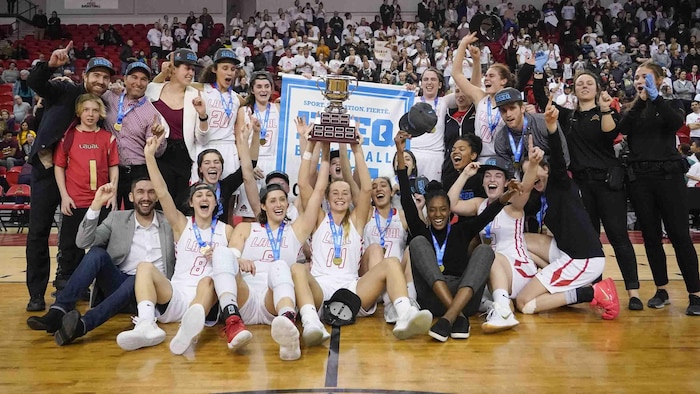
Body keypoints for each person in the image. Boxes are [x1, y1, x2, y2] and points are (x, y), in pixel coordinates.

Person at [292, 129, 432, 346]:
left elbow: (366, 189)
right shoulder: (319, 219)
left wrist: (357, 148)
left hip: (352, 287)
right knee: (298, 269)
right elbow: (304, 185)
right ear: (327, 198)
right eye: (335, 193)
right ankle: (311, 322)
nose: (340, 197)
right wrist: (317, 147)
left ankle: (404, 313)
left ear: (350, 199)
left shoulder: (357, 221)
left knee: (391, 262)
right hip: (321, 287)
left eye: (345, 193)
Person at [209, 139, 330, 360]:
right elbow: (232, 253)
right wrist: (237, 260)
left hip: (273, 301)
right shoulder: (247, 227)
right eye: (272, 200)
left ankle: (289, 327)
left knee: (280, 265)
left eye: (282, 200)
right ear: (263, 205)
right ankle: (232, 322)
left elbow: (318, 192)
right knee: (221, 253)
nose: (278, 204)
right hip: (245, 297)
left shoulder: (296, 230)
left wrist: (325, 149)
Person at [531, 69, 642, 310]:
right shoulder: (567, 116)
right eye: (579, 83)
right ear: (573, 89)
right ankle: (595, 289)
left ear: (597, 89)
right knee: (590, 240)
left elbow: (611, 133)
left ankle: (633, 291)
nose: (584, 86)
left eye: (589, 83)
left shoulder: (606, 111)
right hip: (581, 186)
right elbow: (543, 103)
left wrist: (604, 109)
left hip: (608, 184)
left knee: (618, 236)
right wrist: (537, 76)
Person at [395, 130, 518, 342]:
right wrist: (400, 150)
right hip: (432, 301)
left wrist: (509, 194)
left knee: (484, 250)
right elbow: (406, 194)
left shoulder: (461, 230)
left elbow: (488, 213)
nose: (438, 215)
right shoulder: (421, 229)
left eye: (443, 209)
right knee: (417, 243)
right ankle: (456, 317)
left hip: (465, 297)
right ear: (427, 212)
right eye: (432, 210)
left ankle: (449, 318)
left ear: (450, 210)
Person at [116, 133, 232, 352]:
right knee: (144, 267)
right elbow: (161, 192)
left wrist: (222, 257)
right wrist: (149, 156)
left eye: (209, 195)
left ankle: (189, 330)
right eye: (199, 196)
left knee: (209, 281)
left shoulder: (227, 230)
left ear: (216, 203)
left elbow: (236, 261)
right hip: (176, 294)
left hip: (205, 301)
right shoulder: (181, 223)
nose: (204, 198)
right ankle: (146, 325)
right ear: (191, 202)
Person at [26, 178, 175, 345]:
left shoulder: (169, 222)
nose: (146, 197)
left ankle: (83, 325)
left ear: (157, 196)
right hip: (119, 283)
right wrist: (96, 204)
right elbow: (82, 243)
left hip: (155, 291)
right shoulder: (116, 218)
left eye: (151, 192)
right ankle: (58, 311)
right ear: (131, 197)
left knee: (138, 276)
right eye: (140, 192)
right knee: (96, 254)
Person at [25, 45, 115, 312]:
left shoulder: (104, 107)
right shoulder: (65, 89)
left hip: (76, 174)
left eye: (106, 77)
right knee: (39, 232)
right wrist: (50, 66)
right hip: (46, 169)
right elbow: (36, 82)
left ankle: (69, 286)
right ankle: (36, 294)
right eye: (96, 75)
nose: (100, 81)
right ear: (85, 76)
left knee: (75, 234)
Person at [515, 96, 620, 320]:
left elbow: (560, 162)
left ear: (546, 169)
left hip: (583, 259)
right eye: (528, 172)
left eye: (535, 169)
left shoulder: (559, 182)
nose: (532, 175)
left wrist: (552, 128)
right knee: (520, 240)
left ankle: (591, 291)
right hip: (567, 253)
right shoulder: (538, 194)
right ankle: (556, 285)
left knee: (524, 303)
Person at [617, 61, 700, 316]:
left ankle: (695, 294)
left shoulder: (672, 103)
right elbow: (623, 129)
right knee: (651, 237)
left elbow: (675, 122)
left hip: (668, 176)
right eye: (637, 77)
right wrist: (642, 101)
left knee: (679, 235)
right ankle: (661, 289)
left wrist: (655, 98)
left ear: (660, 79)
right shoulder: (632, 108)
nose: (640, 80)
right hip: (640, 178)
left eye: (646, 76)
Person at [448, 138, 542, 333]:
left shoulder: (513, 204)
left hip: (518, 270)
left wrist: (532, 165)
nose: (492, 180)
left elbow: (525, 188)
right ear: (482, 182)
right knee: (469, 281)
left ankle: (504, 312)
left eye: (498, 176)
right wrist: (465, 174)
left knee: (489, 255)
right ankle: (496, 305)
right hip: (495, 274)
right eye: (488, 176)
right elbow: (451, 204)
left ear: (507, 182)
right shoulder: (479, 204)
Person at [53, 94, 120, 292]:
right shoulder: (69, 136)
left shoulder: (108, 138)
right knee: (70, 247)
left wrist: (113, 193)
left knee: (102, 247)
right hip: (75, 201)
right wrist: (64, 196)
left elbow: (113, 166)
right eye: (86, 110)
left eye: (95, 110)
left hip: (100, 202)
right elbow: (59, 167)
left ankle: (102, 289)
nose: (90, 114)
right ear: (79, 112)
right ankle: (68, 287)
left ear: (101, 113)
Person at [145, 48, 208, 207]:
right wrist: (163, 73)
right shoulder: (153, 89)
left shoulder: (196, 95)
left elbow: (202, 138)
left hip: (184, 158)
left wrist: (202, 116)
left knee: (181, 206)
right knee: (158, 203)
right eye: (187, 68)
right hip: (159, 155)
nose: (191, 73)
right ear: (173, 69)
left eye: (193, 69)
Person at [103, 62, 168, 210]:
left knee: (135, 217)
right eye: (134, 77)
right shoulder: (109, 97)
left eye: (143, 79)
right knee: (106, 215)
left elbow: (157, 153)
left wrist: (158, 140)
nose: (138, 83)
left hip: (137, 171)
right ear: (125, 79)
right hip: (110, 169)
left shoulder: (152, 113)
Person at [452, 33, 515, 164]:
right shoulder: (480, 97)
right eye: (485, 76)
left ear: (503, 81)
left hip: (505, 160)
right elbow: (456, 74)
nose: (486, 78)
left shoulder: (512, 103)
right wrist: (463, 44)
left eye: (491, 76)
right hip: (480, 160)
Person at [192, 48, 243, 182]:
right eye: (225, 68)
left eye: (232, 69)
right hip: (205, 146)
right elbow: (171, 85)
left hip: (229, 149)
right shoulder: (201, 89)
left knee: (230, 196)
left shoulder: (238, 98)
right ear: (214, 69)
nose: (229, 73)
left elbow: (256, 102)